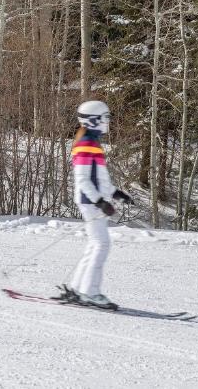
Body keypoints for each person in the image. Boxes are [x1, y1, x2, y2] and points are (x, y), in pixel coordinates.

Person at [62, 100, 131, 309]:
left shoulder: (91, 142)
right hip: (89, 201)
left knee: (95, 244)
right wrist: (100, 201)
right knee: (102, 244)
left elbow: (100, 178)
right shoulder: (86, 143)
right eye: (105, 117)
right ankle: (90, 292)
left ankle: (78, 288)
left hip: (92, 201)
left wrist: (115, 193)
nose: (108, 121)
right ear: (93, 120)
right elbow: (83, 180)